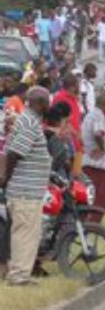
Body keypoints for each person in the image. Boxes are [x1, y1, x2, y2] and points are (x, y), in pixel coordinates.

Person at [0, 87, 51, 286]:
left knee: (23, 232)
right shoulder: (29, 122)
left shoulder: (27, 120)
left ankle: (15, 272)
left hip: (26, 190)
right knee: (25, 234)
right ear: (39, 103)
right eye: (47, 101)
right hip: (24, 192)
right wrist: (6, 177)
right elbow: (15, 153)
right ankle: (19, 277)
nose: (49, 105)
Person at [81, 90, 105, 222]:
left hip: (90, 163)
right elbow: (98, 133)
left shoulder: (91, 114)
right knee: (100, 200)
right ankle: (91, 227)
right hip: (96, 165)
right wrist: (101, 148)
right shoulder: (98, 115)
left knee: (95, 198)